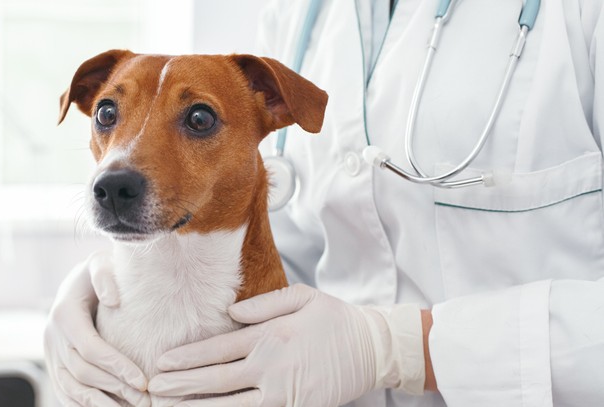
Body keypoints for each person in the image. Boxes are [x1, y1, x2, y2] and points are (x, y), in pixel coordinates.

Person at [43, 0, 604, 406]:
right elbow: (277, 230)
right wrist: (130, 289)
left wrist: (396, 346)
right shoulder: (297, 14)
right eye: (108, 117)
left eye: (198, 120)